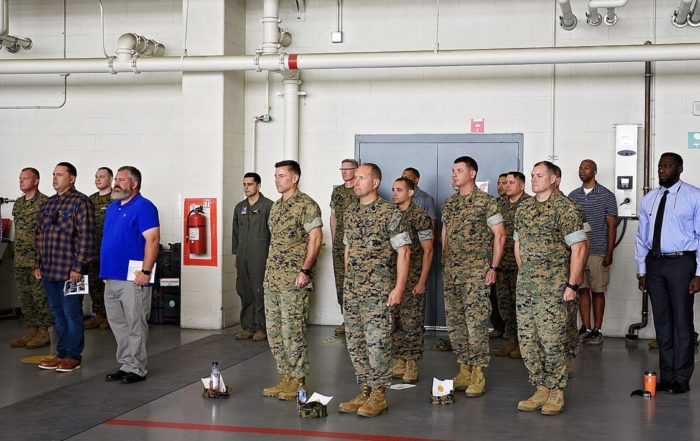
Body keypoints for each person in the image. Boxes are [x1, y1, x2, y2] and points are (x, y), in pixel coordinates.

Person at [338, 163, 410, 417]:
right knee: (355, 342)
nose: (355, 182)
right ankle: (365, 389)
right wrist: (348, 282)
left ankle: (379, 395)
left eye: (361, 178)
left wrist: (399, 288)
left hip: (378, 291)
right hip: (353, 290)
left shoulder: (389, 213)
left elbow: (404, 252)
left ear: (375, 182)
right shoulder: (351, 212)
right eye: (354, 178)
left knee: (377, 343)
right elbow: (348, 250)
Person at [514, 161, 586, 416]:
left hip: (554, 288)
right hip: (526, 287)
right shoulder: (524, 208)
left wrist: (572, 285)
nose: (534, 179)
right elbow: (518, 243)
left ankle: (556, 391)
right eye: (532, 175)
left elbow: (579, 248)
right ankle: (541, 387)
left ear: (554, 179)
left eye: (539, 175)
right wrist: (526, 273)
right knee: (528, 341)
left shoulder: (565, 209)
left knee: (552, 341)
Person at [635, 152, 700, 395]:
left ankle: (681, 378)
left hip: (681, 263)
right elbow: (641, 237)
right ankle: (667, 376)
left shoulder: (694, 196)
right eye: (660, 166)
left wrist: (699, 273)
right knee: (662, 323)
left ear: (679, 169)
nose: (662, 170)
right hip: (655, 265)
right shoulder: (650, 199)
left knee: (682, 322)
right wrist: (642, 270)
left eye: (668, 166)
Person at [441, 156, 505, 398]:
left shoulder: (486, 202)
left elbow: (499, 235)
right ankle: (464, 369)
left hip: (476, 274)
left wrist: (493, 267)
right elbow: (445, 235)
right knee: (456, 324)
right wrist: (445, 261)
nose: (454, 174)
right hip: (452, 274)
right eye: (453, 170)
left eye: (459, 170)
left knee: (475, 324)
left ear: (472, 173)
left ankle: (478, 372)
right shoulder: (449, 203)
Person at [262, 160, 322, 401]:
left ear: (294, 178)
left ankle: (298, 380)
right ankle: (286, 376)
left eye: (281, 175)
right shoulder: (276, 206)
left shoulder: (306, 205)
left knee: (292, 332)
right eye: (275, 175)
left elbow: (315, 238)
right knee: (274, 332)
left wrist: (305, 271)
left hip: (294, 281)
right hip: (272, 280)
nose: (276, 180)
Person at [101, 166, 160, 384]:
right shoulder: (112, 208)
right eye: (116, 179)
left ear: (134, 184)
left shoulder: (144, 207)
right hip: (111, 276)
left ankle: (137, 367)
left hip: (134, 278)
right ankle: (126, 363)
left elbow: (153, 240)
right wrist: (106, 271)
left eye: (121, 180)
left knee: (136, 324)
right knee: (118, 324)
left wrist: (146, 271)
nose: (116, 183)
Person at [36, 162, 95, 372]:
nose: (55, 178)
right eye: (53, 174)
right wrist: (37, 263)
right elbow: (39, 235)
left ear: (72, 178)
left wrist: (78, 267)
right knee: (58, 314)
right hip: (49, 270)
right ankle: (61, 354)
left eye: (60, 174)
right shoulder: (48, 203)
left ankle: (73, 356)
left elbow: (87, 237)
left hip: (71, 272)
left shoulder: (81, 202)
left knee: (72, 314)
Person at [568, 160, 618, 345]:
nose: (582, 171)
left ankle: (597, 330)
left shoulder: (606, 195)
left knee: (597, 291)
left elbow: (612, 226)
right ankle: (586, 328)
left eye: (586, 168)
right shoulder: (573, 196)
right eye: (580, 168)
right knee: (581, 290)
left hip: (598, 251)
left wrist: (609, 252)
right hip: (578, 253)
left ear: (595, 171)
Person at [390, 177, 433, 383]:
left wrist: (422, 281)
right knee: (395, 321)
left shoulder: (419, 216)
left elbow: (428, 250)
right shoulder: (390, 215)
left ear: (410, 192)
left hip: (413, 277)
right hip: (393, 278)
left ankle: (412, 364)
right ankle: (399, 360)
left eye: (399, 190)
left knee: (412, 323)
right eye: (393, 189)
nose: (394, 193)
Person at [10, 168, 52, 349]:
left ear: (36, 181)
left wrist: (43, 261)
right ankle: (32, 330)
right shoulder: (18, 203)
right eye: (20, 178)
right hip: (20, 259)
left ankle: (44, 332)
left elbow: (50, 233)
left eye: (25, 178)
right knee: (25, 297)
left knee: (40, 297)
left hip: (37, 260)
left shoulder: (46, 203)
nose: (21, 181)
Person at [493, 171, 531, 359]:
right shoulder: (499, 205)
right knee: (504, 304)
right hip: (502, 262)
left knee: (521, 305)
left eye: (511, 183)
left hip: (519, 264)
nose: (506, 186)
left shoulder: (529, 205)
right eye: (505, 182)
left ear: (521, 185)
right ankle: (511, 341)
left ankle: (524, 346)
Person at [232, 172, 273, 341]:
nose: (246, 187)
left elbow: (273, 234)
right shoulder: (240, 207)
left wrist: (271, 257)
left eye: (250, 184)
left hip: (260, 255)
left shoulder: (268, 206)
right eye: (244, 184)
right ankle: (248, 327)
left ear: (258, 185)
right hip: (243, 255)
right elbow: (235, 233)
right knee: (244, 290)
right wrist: (236, 255)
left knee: (259, 291)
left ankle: (261, 328)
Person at [330, 159, 358, 336]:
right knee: (340, 282)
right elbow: (333, 216)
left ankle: (357, 321)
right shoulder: (337, 192)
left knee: (356, 281)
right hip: (340, 244)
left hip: (356, 245)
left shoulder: (360, 190)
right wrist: (335, 239)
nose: (344, 172)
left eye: (348, 169)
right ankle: (346, 319)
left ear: (356, 170)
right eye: (342, 169)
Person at [85, 167, 113, 330]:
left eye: (101, 176)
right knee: (94, 283)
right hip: (93, 249)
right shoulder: (90, 200)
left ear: (110, 179)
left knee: (109, 284)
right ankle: (99, 314)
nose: (98, 179)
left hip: (110, 250)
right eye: (96, 176)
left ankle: (111, 316)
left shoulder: (117, 198)